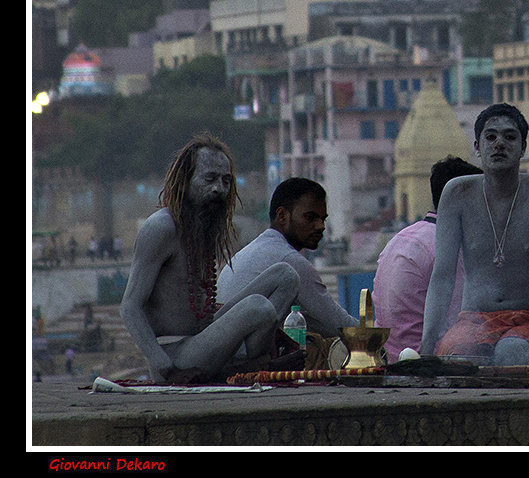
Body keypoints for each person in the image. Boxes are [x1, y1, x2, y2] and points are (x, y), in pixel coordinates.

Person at [121, 133, 300, 384]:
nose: (219, 188)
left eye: (226, 181)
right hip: (176, 356)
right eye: (210, 179)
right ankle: (255, 365)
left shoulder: (204, 225)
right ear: (185, 182)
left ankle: (252, 359)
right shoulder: (161, 228)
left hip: (204, 338)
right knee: (258, 307)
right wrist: (166, 368)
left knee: (286, 275)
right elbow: (129, 307)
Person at [421, 103, 529, 366]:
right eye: (491, 137)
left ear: (523, 149)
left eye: (510, 137)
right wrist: (426, 348)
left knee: (512, 354)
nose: (499, 144)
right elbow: (443, 275)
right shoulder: (456, 194)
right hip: (474, 319)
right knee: (460, 358)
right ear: (477, 147)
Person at [372, 156, 482, 363]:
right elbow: (458, 324)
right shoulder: (449, 248)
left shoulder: (399, 238)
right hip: (423, 362)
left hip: (386, 358)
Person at [217, 177, 358, 338]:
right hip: (244, 357)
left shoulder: (247, 252)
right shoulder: (289, 261)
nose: (321, 226)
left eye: (323, 219)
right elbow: (342, 327)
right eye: (310, 217)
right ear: (282, 216)